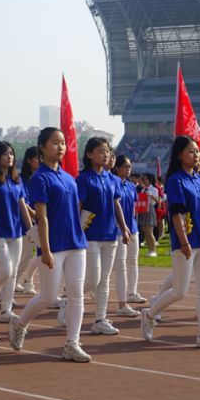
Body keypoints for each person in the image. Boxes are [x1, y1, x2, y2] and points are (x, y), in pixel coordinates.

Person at [9, 127, 90, 362]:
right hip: (54, 245)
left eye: (63, 142)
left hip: (76, 243)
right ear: (42, 147)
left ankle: (72, 343)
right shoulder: (39, 178)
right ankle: (20, 323)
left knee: (76, 295)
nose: (61, 147)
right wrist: (45, 249)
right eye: (55, 143)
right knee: (48, 296)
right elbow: (41, 217)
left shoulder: (68, 178)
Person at [139, 137, 200, 349]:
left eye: (197, 152)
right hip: (186, 241)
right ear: (179, 155)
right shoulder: (175, 180)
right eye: (191, 152)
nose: (196, 155)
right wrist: (184, 242)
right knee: (180, 291)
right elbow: (176, 214)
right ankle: (149, 314)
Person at [75, 137, 130, 336]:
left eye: (107, 151)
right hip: (90, 235)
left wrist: (124, 229)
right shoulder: (83, 179)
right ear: (89, 154)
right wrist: (75, 229)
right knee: (93, 278)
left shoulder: (112, 179)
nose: (106, 154)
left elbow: (117, 205)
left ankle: (100, 318)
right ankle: (69, 300)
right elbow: (78, 206)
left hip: (110, 235)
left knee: (104, 279)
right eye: (100, 151)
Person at [0, 141, 33, 322]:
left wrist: (31, 230)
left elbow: (22, 205)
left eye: (12, 154)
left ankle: (5, 310)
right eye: (5, 154)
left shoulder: (17, 179)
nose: (10, 157)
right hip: (0, 232)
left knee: (13, 273)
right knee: (5, 271)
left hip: (16, 232)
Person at [111, 155, 141, 317]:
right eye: (125, 166)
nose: (129, 169)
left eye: (130, 167)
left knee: (132, 260)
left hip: (133, 227)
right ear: (117, 167)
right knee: (120, 264)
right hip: (117, 230)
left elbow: (133, 208)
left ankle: (132, 292)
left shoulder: (131, 186)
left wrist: (132, 225)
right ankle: (122, 302)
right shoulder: (112, 183)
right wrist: (121, 226)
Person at [14, 146, 40, 295]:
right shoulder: (21, 179)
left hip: (39, 221)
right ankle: (10, 284)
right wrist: (35, 215)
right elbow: (23, 203)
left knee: (30, 254)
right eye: (37, 158)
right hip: (25, 223)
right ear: (29, 160)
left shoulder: (41, 177)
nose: (40, 161)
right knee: (25, 255)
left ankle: (18, 281)